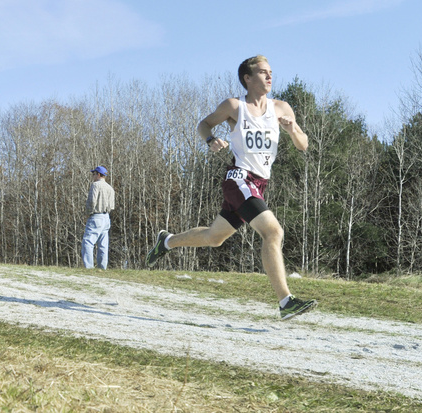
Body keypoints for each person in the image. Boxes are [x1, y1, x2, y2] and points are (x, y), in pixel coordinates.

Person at [145, 55, 317, 320]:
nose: (270, 76)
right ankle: (286, 302)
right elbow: (204, 124)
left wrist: (293, 129)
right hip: (239, 178)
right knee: (273, 232)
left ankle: (166, 241)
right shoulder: (235, 106)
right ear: (248, 79)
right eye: (263, 72)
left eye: (271, 72)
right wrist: (211, 140)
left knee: (215, 237)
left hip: (259, 183)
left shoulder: (282, 108)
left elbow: (303, 145)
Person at [82, 166, 115, 270]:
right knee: (103, 245)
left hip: (96, 216)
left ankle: (89, 268)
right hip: (106, 217)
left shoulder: (95, 185)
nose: (93, 176)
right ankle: (102, 268)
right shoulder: (110, 188)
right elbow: (112, 205)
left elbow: (92, 201)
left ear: (99, 175)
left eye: (94, 174)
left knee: (88, 242)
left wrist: (88, 213)